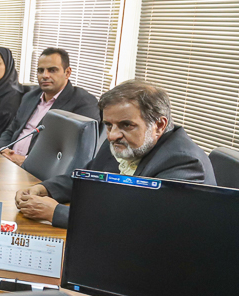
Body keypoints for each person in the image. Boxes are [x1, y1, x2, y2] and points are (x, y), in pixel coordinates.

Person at [15, 80, 215, 229]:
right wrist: (45, 189)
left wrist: (56, 213)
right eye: (109, 125)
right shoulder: (123, 140)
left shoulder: (184, 163)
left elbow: (141, 223)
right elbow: (87, 179)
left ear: (159, 125)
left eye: (127, 125)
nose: (112, 135)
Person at [0, 48, 99, 164]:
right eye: (40, 70)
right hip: (8, 162)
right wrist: (3, 150)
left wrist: (26, 161)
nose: (45, 75)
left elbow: (76, 150)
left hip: (38, 169)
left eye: (52, 70)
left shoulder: (83, 102)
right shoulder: (30, 97)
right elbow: (11, 130)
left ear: (67, 73)